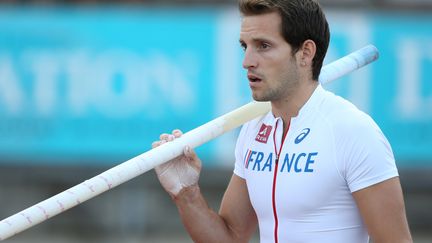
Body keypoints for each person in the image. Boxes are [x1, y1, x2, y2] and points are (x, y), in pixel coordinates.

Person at [152, 0, 413, 242]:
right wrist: (186, 193)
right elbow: (230, 236)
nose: (247, 62)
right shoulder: (254, 130)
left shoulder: (353, 131)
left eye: (263, 46)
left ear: (305, 53)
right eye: (245, 46)